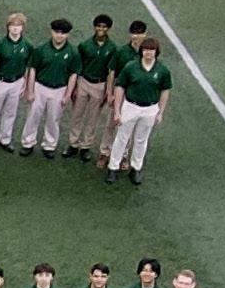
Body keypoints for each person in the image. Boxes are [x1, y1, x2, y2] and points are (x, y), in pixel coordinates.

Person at [106, 36, 171, 186]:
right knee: (122, 138)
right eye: (146, 50)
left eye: (152, 50)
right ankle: (113, 167)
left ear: (156, 52)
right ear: (141, 51)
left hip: (150, 108)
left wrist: (160, 112)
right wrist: (117, 110)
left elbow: (165, 91)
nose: (148, 53)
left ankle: (136, 168)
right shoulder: (131, 67)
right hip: (131, 106)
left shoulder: (162, 70)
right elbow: (120, 87)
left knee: (142, 140)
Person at [19, 19, 79, 158]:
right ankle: (27, 143)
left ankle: (49, 145)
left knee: (54, 119)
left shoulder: (73, 52)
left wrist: (67, 95)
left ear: (68, 34)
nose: (59, 35)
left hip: (59, 89)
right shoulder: (40, 49)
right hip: (40, 87)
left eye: (63, 33)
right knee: (33, 116)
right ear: (52, 32)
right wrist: (30, 90)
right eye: (57, 32)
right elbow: (32, 69)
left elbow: (73, 74)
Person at [65, 13, 116, 160]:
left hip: (100, 84)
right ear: (94, 27)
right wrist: (75, 87)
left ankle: (86, 146)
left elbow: (111, 71)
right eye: (98, 26)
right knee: (77, 114)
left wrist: (108, 90)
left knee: (93, 118)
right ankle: (73, 143)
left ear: (108, 29)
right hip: (83, 81)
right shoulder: (85, 45)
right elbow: (77, 67)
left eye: (104, 27)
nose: (101, 29)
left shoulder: (112, 48)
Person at [0, 12, 32, 150]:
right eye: (12, 25)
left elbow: (27, 65)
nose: (15, 28)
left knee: (11, 112)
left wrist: (24, 83)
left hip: (17, 82)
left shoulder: (27, 45)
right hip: (0, 81)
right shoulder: (0, 43)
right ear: (8, 27)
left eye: (19, 25)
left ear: (23, 27)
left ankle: (5, 139)